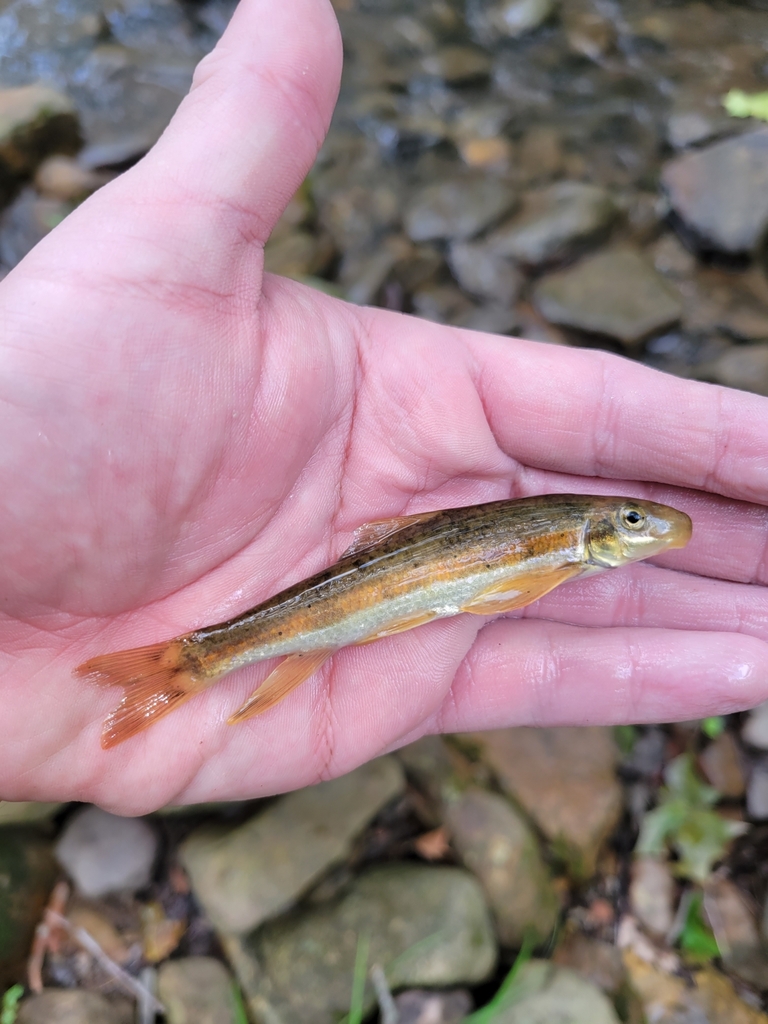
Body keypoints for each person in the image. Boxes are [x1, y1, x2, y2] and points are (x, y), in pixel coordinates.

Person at [0, 0, 765, 815]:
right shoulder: (572, 536)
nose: (646, 530)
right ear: (604, 531)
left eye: (636, 523)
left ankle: (199, 661)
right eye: (637, 522)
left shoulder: (574, 540)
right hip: (370, 586)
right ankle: (197, 658)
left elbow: (511, 587)